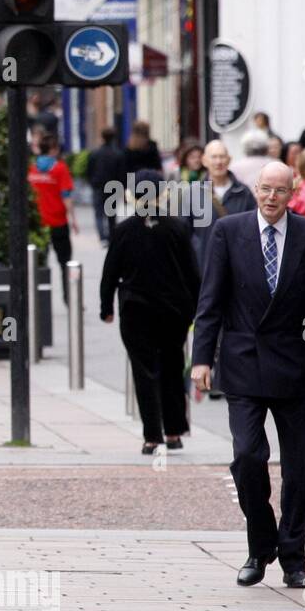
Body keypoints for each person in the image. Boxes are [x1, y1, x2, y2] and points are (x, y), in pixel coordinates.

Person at [191, 162, 305, 589]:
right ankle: (261, 545)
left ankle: (293, 556)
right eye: (264, 189)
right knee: (247, 456)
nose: (271, 198)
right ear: (254, 189)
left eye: (279, 190)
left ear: (292, 193)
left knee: (298, 468)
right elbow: (210, 301)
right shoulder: (228, 231)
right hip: (242, 362)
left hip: (295, 366)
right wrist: (201, 359)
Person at [100, 171, 200, 454]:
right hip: (173, 310)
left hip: (136, 310)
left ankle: (151, 436)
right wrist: (199, 308)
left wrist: (106, 306)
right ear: (163, 194)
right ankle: (173, 431)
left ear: (132, 196)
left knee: (144, 371)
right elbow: (192, 273)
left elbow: (110, 271)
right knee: (171, 367)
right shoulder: (178, 228)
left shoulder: (124, 230)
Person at [193, 139, 256, 275]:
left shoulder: (243, 192)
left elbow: (254, 228)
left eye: (222, 156)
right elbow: (184, 231)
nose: (218, 162)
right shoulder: (192, 193)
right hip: (203, 268)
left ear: (229, 159)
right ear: (204, 161)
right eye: (214, 157)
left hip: (237, 268)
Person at [28, 132, 78, 304]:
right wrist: (73, 219)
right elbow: (66, 196)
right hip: (58, 222)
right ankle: (68, 297)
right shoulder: (60, 169)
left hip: (39, 223)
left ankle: (38, 297)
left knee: (39, 263)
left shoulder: (32, 168)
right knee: (65, 262)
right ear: (54, 149)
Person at [87, 126, 128, 248]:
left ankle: (102, 237)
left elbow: (89, 170)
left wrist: (92, 182)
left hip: (98, 186)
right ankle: (111, 236)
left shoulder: (95, 153)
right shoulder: (118, 154)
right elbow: (122, 173)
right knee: (111, 214)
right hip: (113, 186)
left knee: (99, 213)